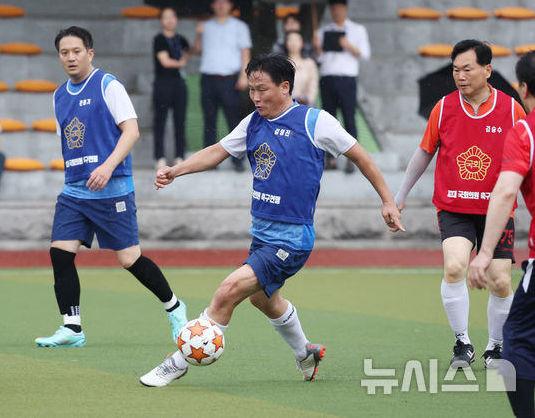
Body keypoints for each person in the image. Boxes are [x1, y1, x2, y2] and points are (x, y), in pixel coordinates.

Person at [139, 54, 404, 387]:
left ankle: (176, 362)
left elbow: (361, 156)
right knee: (261, 298)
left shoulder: (314, 121)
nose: (255, 97)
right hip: (263, 234)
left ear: (285, 86)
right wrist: (176, 171)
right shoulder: (252, 122)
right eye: (251, 89)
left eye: (261, 89)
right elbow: (217, 151)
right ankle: (304, 352)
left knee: (227, 293)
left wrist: (388, 201)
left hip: (292, 238)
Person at [35, 26, 188, 348]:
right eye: (65, 52)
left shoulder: (108, 85)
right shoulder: (59, 95)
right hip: (75, 189)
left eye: (77, 51)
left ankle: (175, 307)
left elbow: (131, 131)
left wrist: (106, 166)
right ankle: (72, 329)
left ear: (90, 53)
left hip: (112, 188)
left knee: (130, 258)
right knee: (60, 254)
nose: (71, 57)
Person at [395, 40, 526, 371]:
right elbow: (424, 152)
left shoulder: (512, 109)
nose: (460, 76)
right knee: (454, 267)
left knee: (500, 279)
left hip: (497, 210)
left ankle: (496, 346)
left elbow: (526, 162)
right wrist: (399, 197)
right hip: (454, 207)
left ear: (487, 70)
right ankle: (462, 342)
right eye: (456, 70)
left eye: (467, 69)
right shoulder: (443, 108)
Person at [469, 50, 535, 418]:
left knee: (516, 348)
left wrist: (485, 252)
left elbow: (506, 191)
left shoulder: (525, 129)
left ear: (523, 89)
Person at [192, 0, 252, 171]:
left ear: (230, 5)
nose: (221, 5)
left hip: (230, 79)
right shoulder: (205, 26)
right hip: (208, 78)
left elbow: (245, 52)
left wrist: (244, 75)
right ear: (212, 5)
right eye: (217, 2)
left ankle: (237, 161)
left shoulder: (240, 26)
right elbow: (196, 50)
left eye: (224, 2)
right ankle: (208, 163)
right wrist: (197, 34)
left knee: (233, 120)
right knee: (209, 119)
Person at [314, 0, 371, 173]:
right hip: (328, 77)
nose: (336, 12)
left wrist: (347, 45)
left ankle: (352, 159)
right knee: (328, 119)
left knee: (349, 117)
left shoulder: (357, 30)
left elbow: (365, 54)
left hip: (347, 79)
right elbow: (320, 59)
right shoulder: (323, 31)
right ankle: (330, 158)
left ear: (345, 9)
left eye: (339, 9)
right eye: (333, 9)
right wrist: (317, 48)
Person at [153, 7, 189, 170]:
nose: (169, 20)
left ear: (176, 19)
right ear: (161, 21)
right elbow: (165, 61)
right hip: (163, 83)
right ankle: (159, 156)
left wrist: (200, 34)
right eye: (165, 17)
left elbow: (191, 50)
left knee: (179, 121)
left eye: (172, 16)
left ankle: (179, 156)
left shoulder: (180, 39)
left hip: (178, 83)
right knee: (160, 121)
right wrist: (181, 63)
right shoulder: (159, 39)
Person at [284, 31, 319, 106]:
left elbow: (313, 85)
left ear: (302, 43)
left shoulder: (309, 63)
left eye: (296, 40)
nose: (294, 43)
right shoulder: (282, 64)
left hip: (306, 104)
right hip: (285, 106)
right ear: (286, 44)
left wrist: (309, 101)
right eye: (291, 40)